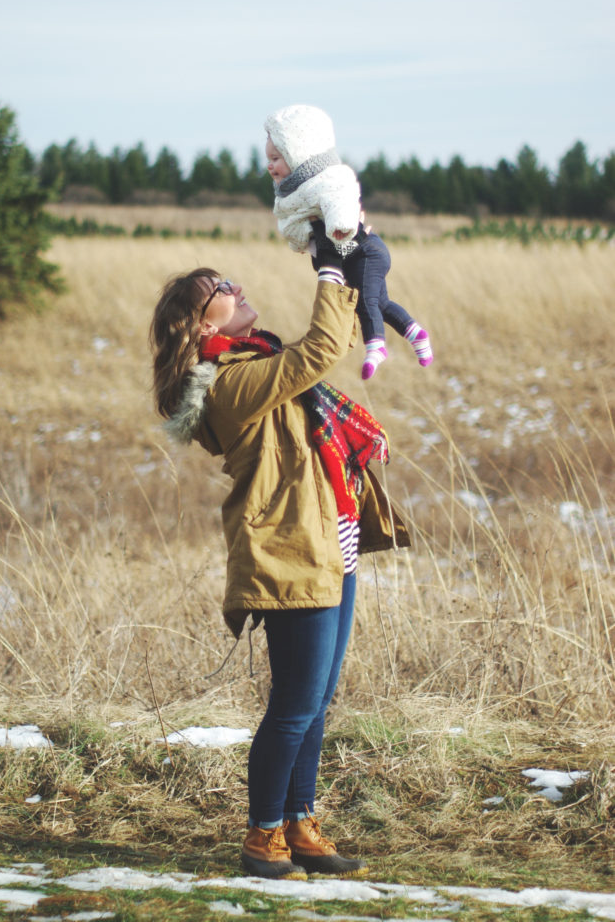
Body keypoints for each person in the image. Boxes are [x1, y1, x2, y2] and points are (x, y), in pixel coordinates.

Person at [149, 246, 410, 880]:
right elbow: (320, 349)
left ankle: (301, 823)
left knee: (316, 702)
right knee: (294, 704)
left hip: (331, 545)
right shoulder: (232, 384)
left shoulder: (260, 361)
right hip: (290, 552)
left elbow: (333, 337)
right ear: (204, 324)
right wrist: (325, 273)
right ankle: (262, 835)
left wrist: (353, 271)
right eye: (223, 289)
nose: (238, 289)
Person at [265, 103, 433, 378]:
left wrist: (341, 226)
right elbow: (291, 221)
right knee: (380, 303)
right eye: (268, 159)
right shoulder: (292, 192)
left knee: (366, 300)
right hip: (350, 254)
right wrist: (302, 241)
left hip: (366, 250)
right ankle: (416, 334)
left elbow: (340, 198)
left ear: (299, 153)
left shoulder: (328, 178)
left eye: (277, 157)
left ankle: (375, 346)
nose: (270, 165)